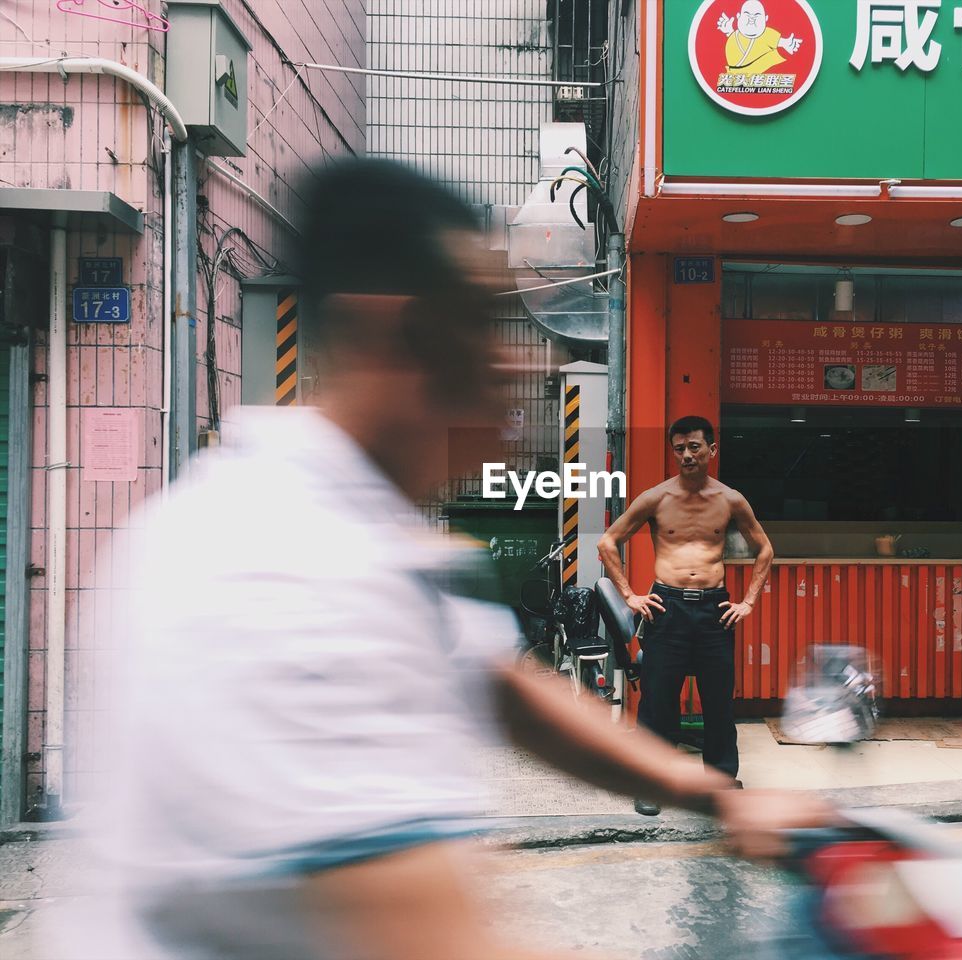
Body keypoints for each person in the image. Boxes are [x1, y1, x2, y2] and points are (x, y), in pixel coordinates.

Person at [65, 160, 826, 960]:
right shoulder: (282, 578)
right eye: (484, 324)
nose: (518, 365)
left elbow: (506, 692)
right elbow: (440, 941)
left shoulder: (362, 533)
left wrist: (710, 797)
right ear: (400, 334)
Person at [597, 416, 775, 816]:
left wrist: (747, 602)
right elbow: (609, 542)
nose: (687, 455)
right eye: (679, 449)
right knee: (658, 700)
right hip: (667, 607)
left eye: (694, 447)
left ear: (712, 450)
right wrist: (629, 594)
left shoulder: (730, 499)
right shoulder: (656, 498)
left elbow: (764, 549)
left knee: (718, 701)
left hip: (715, 610)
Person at [717, 0, 802, 75]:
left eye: (757, 15)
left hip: (762, 79)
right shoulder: (734, 36)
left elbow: (783, 42)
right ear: (738, 16)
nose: (752, 18)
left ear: (765, 18)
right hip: (732, 78)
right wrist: (729, 31)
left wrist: (788, 43)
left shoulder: (767, 34)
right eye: (747, 14)